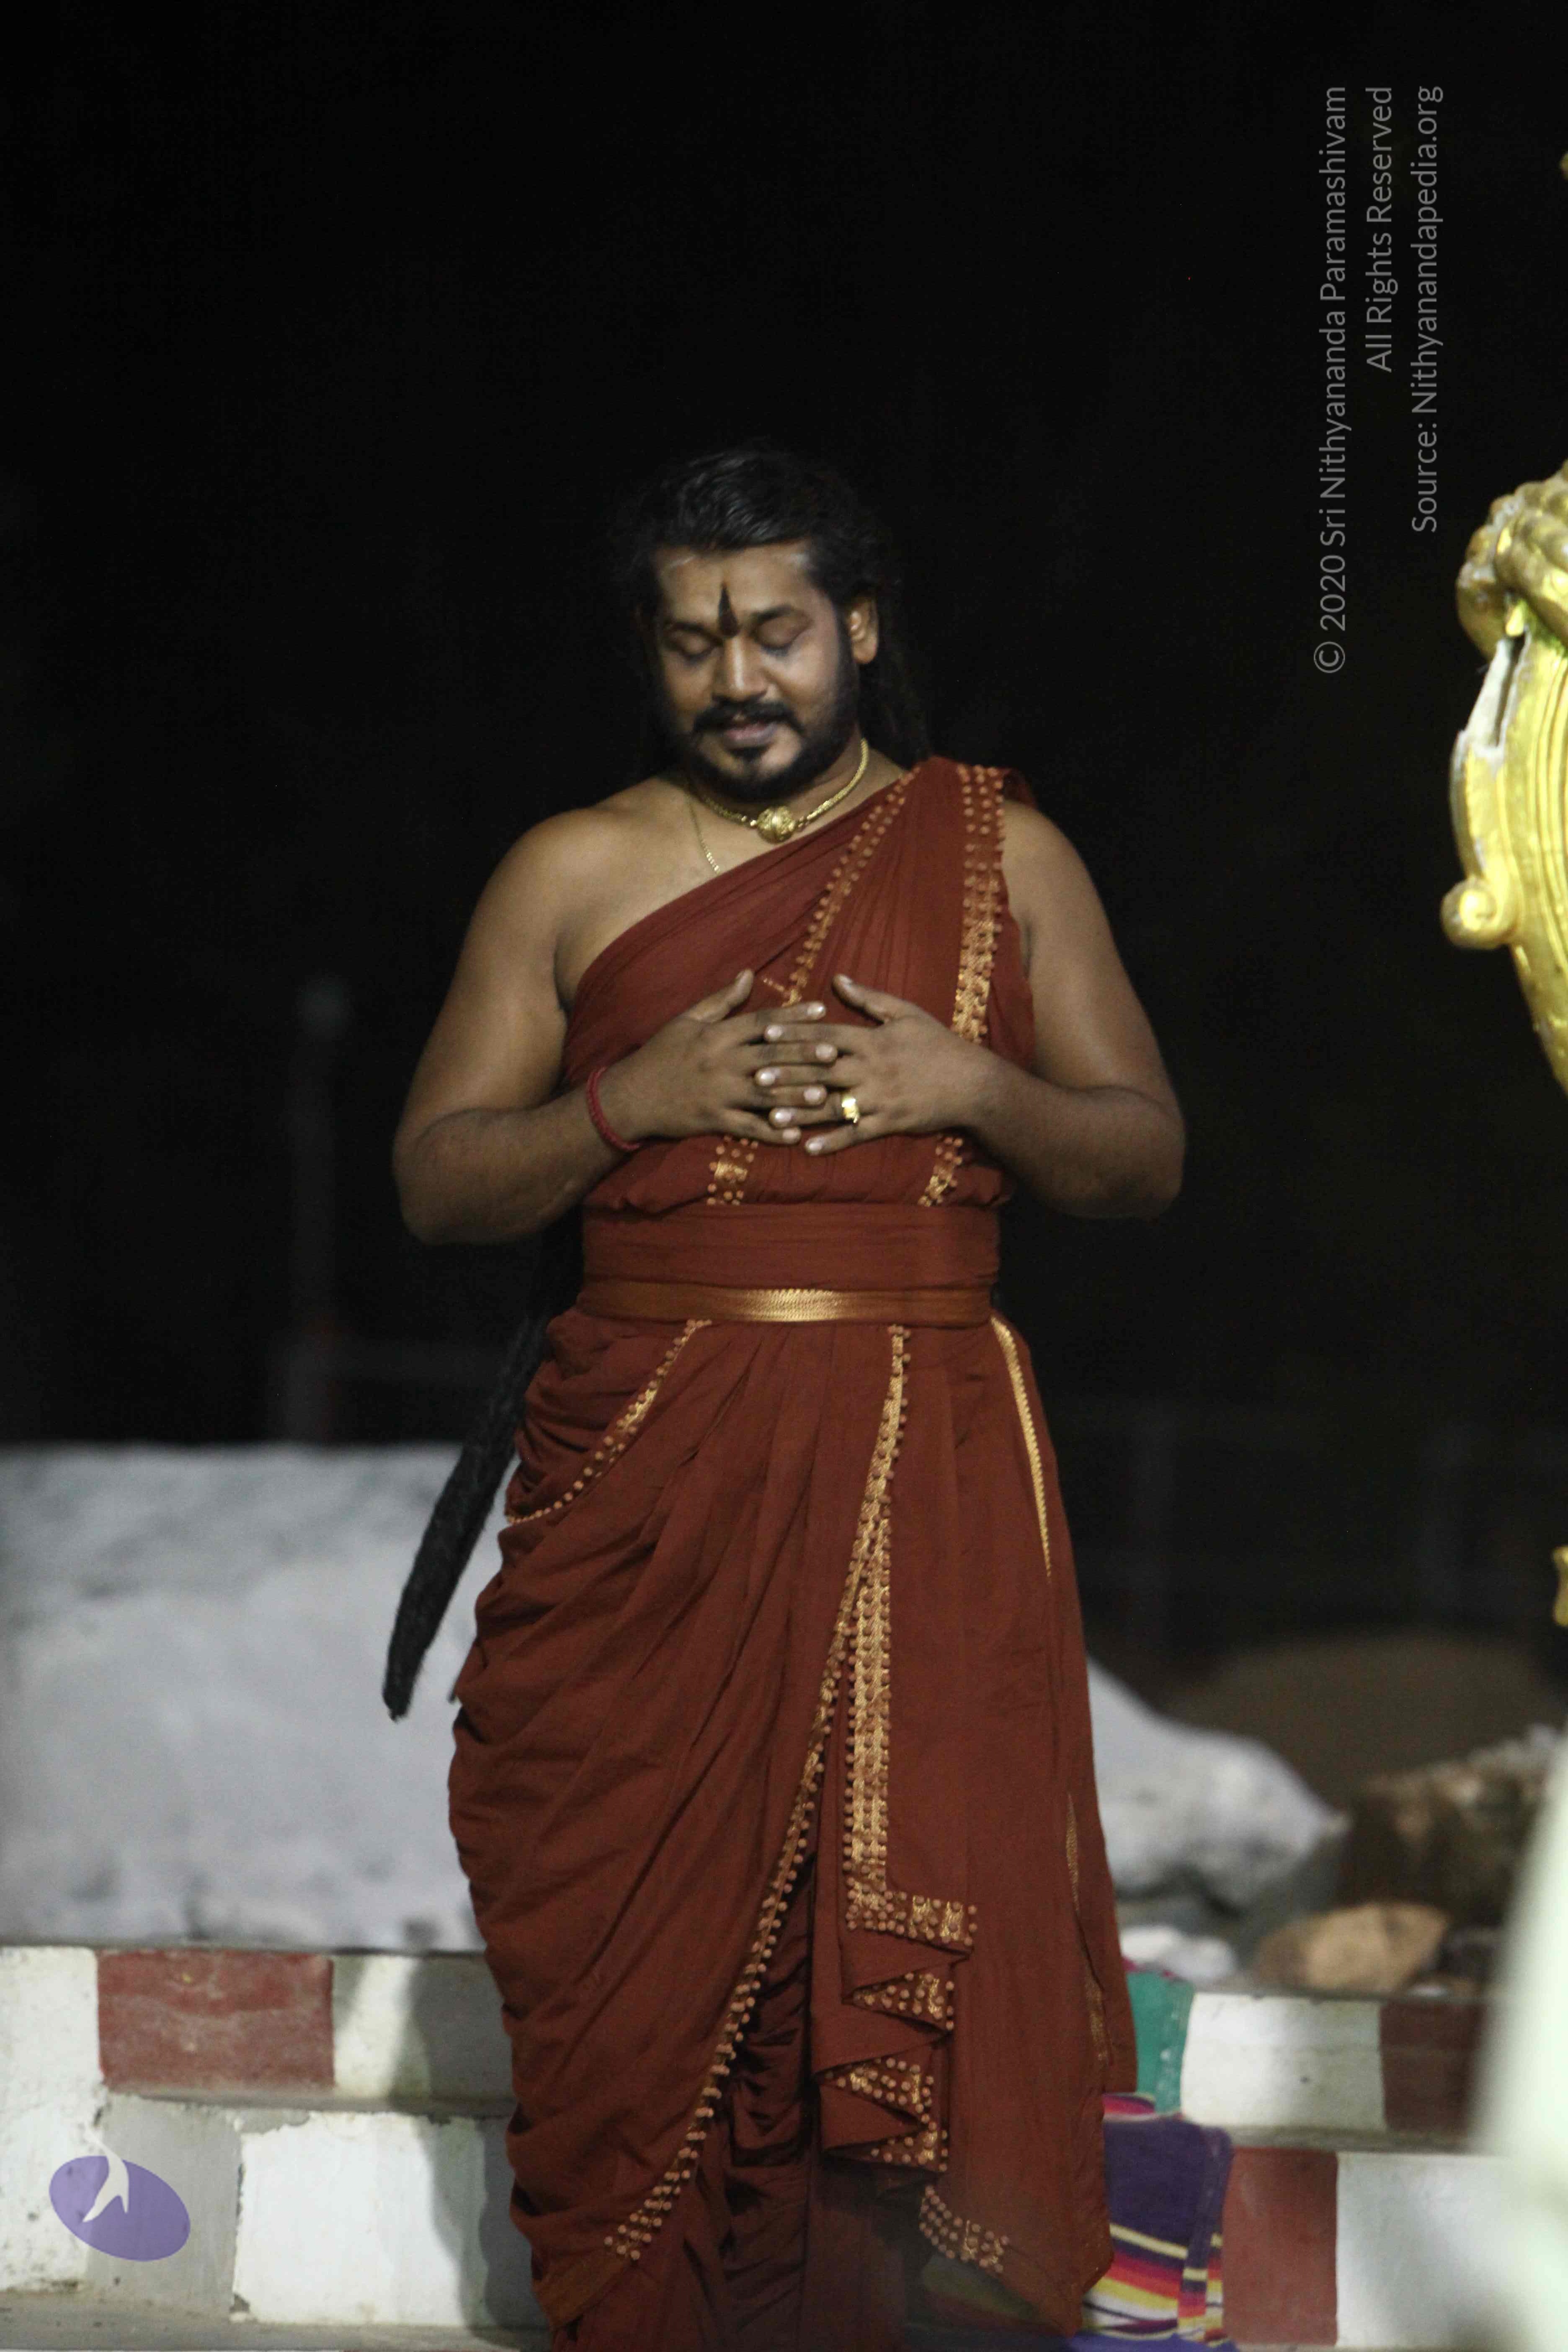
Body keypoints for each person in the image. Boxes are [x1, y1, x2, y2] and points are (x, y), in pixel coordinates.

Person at [392, 443, 1185, 2351]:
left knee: (913, 1946)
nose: (736, 678)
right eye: (692, 643)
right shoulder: (572, 870)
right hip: (642, 1497)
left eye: (775, 632)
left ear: (862, 628)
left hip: (925, 1478)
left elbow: (1144, 1152)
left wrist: (975, 1088)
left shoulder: (999, 852)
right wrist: (629, 1103)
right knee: (619, 1948)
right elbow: (436, 1179)